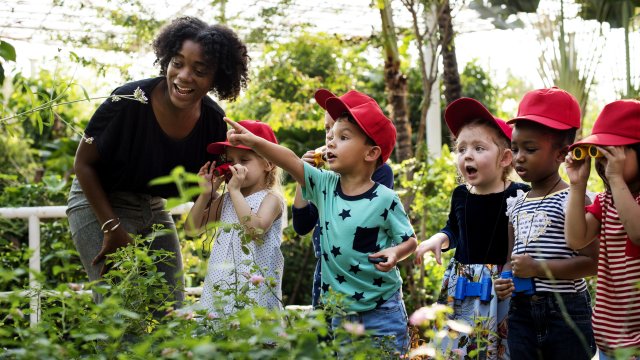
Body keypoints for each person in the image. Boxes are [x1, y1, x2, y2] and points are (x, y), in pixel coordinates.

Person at [66, 16, 250, 305]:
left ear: (217, 77)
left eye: (199, 70)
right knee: (121, 309)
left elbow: (217, 189)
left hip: (152, 206)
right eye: (177, 63)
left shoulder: (213, 122)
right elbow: (83, 164)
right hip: (98, 202)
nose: (184, 76)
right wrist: (112, 229)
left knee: (170, 307)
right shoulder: (128, 100)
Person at [224, 90, 417, 355]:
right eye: (330, 135)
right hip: (338, 312)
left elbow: (410, 240)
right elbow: (289, 160)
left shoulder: (385, 198)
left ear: (371, 152)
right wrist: (254, 142)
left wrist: (396, 252)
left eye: (343, 137)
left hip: (382, 311)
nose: (330, 142)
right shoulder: (324, 184)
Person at [415, 97, 528, 359]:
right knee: (455, 348)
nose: (467, 155)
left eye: (479, 148)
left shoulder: (519, 195)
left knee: (500, 349)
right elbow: (453, 230)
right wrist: (438, 239)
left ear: (505, 158)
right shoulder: (461, 195)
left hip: (502, 287)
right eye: (461, 148)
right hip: (461, 287)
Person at [494, 87, 597, 359]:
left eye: (530, 149)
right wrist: (505, 278)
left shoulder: (574, 198)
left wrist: (538, 268)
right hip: (521, 313)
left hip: (566, 312)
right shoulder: (515, 202)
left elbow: (592, 262)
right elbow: (511, 257)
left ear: (561, 154)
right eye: (514, 148)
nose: (519, 158)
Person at [291, 88, 394, 308]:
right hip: (327, 270)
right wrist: (304, 176)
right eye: (327, 129)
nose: (329, 136)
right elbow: (301, 225)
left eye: (341, 134)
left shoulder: (380, 173)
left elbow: (366, 219)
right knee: (327, 337)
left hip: (363, 274)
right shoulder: (324, 176)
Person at [564, 99, 640, 359]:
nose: (602, 163)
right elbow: (576, 239)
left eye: (612, 152)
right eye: (597, 152)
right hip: (609, 341)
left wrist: (616, 177)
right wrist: (577, 185)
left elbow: (637, 232)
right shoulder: (605, 201)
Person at [184, 120, 284, 316]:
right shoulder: (228, 199)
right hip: (221, 291)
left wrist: (235, 191)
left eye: (244, 160)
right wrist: (205, 194)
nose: (234, 166)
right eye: (230, 160)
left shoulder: (272, 199)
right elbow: (192, 229)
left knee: (254, 342)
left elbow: (255, 230)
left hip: (254, 294)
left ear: (269, 164)